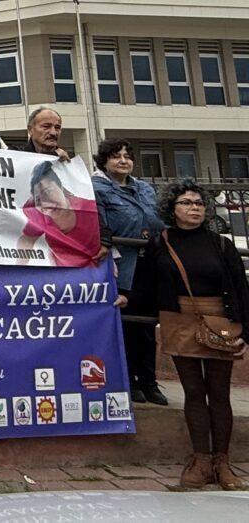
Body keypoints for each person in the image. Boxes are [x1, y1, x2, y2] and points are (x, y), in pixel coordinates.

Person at [126, 180, 249, 490]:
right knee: (193, 392)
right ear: (173, 208)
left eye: (199, 203)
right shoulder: (161, 243)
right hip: (178, 320)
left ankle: (223, 461)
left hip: (218, 321)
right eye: (187, 202)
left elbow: (241, 289)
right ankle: (200, 460)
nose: (194, 208)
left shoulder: (221, 244)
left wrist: (246, 330)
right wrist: (124, 299)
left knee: (219, 393)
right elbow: (145, 286)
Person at [92, 139, 167, 406]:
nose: (123, 161)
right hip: (122, 264)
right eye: (116, 157)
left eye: (127, 156)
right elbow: (104, 226)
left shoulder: (144, 188)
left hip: (149, 263)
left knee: (147, 326)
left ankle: (149, 381)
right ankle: (129, 380)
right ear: (104, 162)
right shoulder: (97, 188)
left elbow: (157, 221)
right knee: (125, 326)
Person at [16, 161, 100, 267]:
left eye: (47, 192)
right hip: (64, 277)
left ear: (61, 186)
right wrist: (18, 269)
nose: (46, 203)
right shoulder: (38, 214)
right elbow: (27, 239)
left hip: (98, 274)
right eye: (38, 199)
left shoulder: (90, 208)